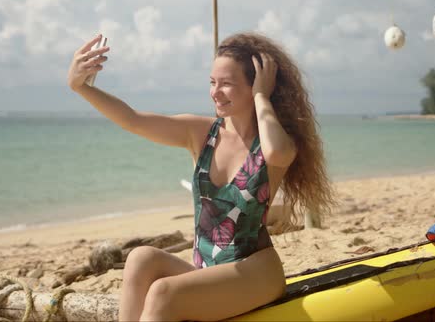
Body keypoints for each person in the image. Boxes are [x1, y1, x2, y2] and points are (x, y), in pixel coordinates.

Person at [67, 31, 334, 321]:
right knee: (140, 258)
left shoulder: (272, 143)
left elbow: (278, 154)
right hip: (208, 270)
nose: (215, 92)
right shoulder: (202, 133)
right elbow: (133, 120)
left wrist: (261, 97)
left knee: (162, 293)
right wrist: (81, 87)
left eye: (227, 84)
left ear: (256, 86)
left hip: (255, 271)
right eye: (212, 82)